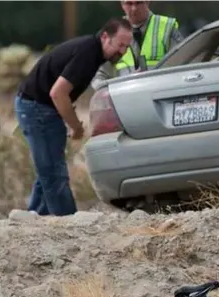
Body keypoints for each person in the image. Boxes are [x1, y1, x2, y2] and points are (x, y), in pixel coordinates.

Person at [14, 18, 133, 216]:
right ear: (105, 36)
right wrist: (76, 126)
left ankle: (32, 219)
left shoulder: (93, 52)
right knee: (54, 174)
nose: (122, 52)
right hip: (37, 108)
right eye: (120, 45)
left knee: (49, 170)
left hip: (41, 107)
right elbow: (58, 93)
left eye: (127, 47)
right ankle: (68, 225)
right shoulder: (88, 52)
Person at [91, 1, 183, 90]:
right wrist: (110, 93)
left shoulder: (167, 27)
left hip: (159, 94)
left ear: (147, 2)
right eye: (129, 3)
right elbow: (98, 75)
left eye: (138, 3)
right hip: (124, 98)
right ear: (122, 4)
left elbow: (182, 65)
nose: (134, 8)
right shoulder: (113, 31)